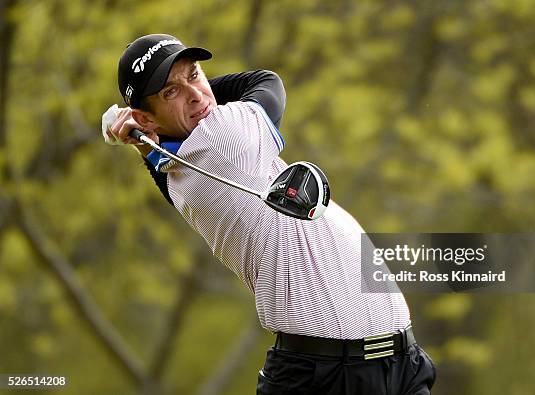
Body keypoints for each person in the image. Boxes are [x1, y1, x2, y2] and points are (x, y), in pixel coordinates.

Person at [103, 33, 436, 395]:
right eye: (171, 92)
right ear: (145, 118)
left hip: (398, 362)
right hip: (324, 377)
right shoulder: (223, 138)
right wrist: (146, 128)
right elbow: (264, 82)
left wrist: (142, 134)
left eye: (195, 74)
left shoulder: (181, 169)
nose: (197, 95)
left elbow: (165, 164)